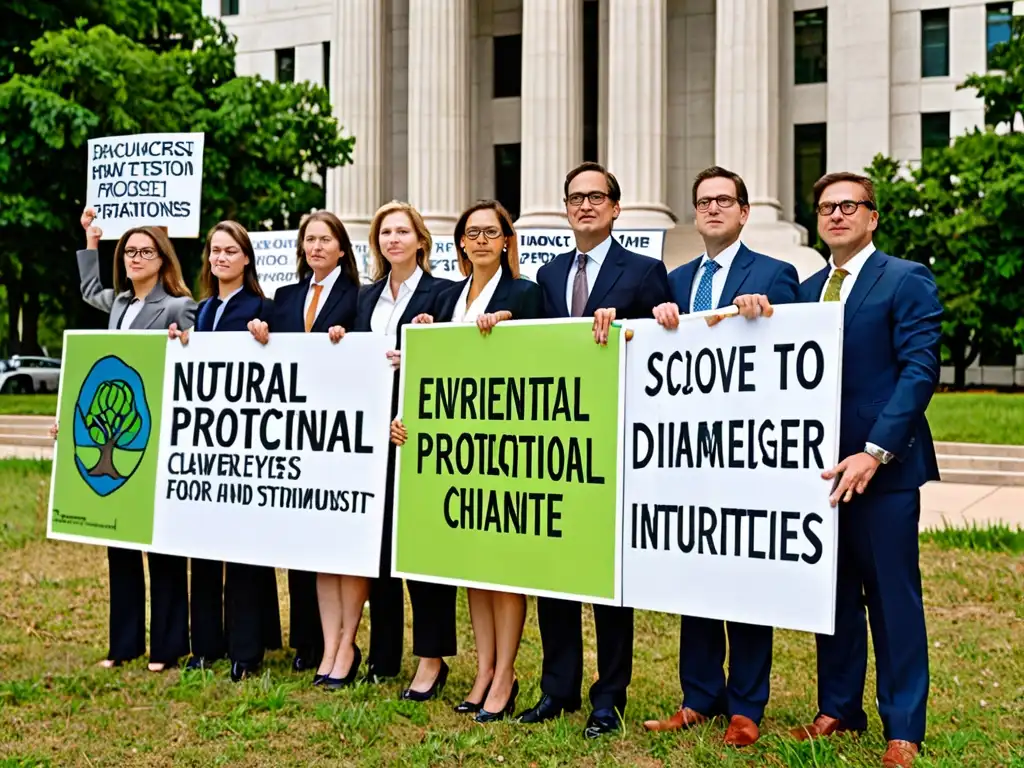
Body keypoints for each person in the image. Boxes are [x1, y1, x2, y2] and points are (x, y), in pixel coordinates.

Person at [729, 173, 941, 768]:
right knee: (836, 597)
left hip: (883, 470)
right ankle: (840, 709)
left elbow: (919, 372)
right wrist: (752, 312)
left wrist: (874, 451)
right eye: (826, 207)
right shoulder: (808, 287)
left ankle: (903, 727)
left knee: (892, 601)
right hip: (819, 473)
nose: (836, 215)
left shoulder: (905, 278)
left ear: (872, 217)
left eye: (849, 205)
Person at [643, 167, 799, 747]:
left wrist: (769, 314)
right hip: (687, 458)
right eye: (703, 201)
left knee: (745, 578)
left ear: (743, 211)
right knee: (697, 575)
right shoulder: (676, 280)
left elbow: (793, 347)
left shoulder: (776, 274)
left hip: (748, 454)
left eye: (723, 200)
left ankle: (746, 705)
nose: (712, 209)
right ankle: (699, 695)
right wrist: (659, 323)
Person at [521, 162, 672, 738]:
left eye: (596, 197)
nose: (585, 205)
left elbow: (663, 346)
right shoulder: (549, 273)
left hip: (614, 444)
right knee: (555, 573)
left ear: (615, 208)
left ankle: (609, 696)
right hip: (557, 448)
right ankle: (556, 689)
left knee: (609, 581)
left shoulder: (645, 269)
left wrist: (631, 324)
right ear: (565, 208)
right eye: (575, 197)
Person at [390, 199, 542, 722]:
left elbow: (542, 360)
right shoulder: (449, 298)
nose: (479, 240)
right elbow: (430, 369)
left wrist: (510, 325)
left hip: (506, 448)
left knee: (504, 569)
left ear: (506, 241)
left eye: (489, 232)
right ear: (459, 244)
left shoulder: (526, 293)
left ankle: (506, 675)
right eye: (470, 233)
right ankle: (482, 670)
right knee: (473, 568)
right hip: (458, 454)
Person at [75, 207, 196, 672]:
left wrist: (181, 341)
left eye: (145, 251)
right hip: (120, 435)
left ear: (163, 259)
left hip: (158, 434)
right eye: (129, 252)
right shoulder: (120, 304)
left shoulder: (178, 306)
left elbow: (194, 357)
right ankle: (123, 645)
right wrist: (92, 240)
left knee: (162, 546)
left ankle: (168, 646)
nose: (135, 258)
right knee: (120, 542)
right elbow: (89, 290)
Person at [247, 211, 361, 678]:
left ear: (340, 249)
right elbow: (271, 353)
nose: (315, 247)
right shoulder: (285, 298)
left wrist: (347, 339)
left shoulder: (357, 297)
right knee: (309, 545)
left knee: (340, 545)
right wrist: (260, 335)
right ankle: (312, 643)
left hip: (342, 435)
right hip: (299, 439)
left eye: (325, 240)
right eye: (309, 240)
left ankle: (341, 645)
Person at [168, 221, 282, 682]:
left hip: (248, 444)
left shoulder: (262, 307)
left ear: (246, 258)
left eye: (230, 251)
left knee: (243, 551)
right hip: (207, 443)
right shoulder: (204, 308)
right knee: (204, 547)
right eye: (215, 251)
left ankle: (246, 650)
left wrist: (266, 338)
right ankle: (205, 646)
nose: (220, 258)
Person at [350, 201, 452, 683]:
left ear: (421, 241)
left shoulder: (443, 294)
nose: (392, 239)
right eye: (384, 232)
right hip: (370, 436)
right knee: (376, 548)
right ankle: (383, 656)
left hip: (416, 434)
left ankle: (432, 658)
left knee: (421, 547)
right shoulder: (364, 298)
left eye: (401, 231)